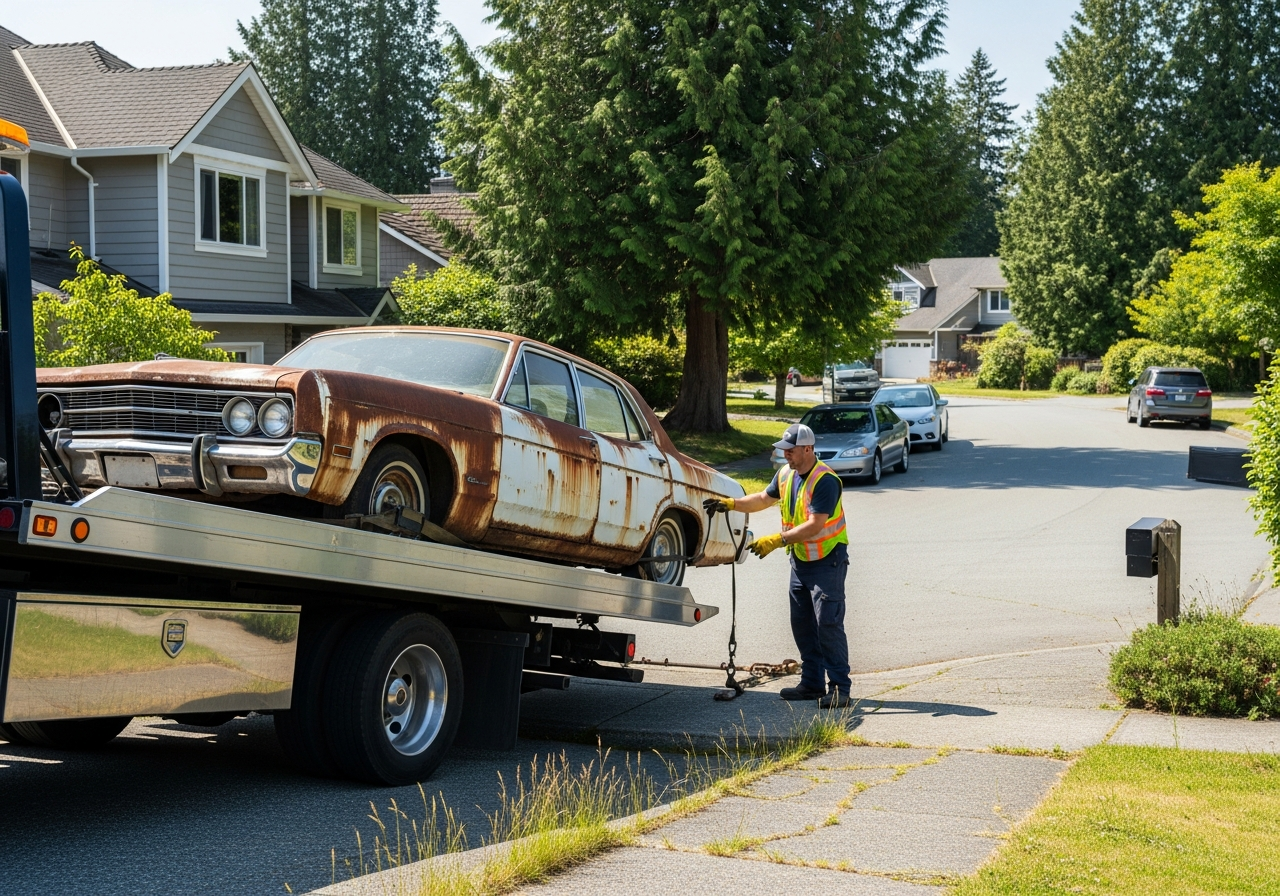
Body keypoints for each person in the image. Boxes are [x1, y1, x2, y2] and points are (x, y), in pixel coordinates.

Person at [704, 422, 851, 708]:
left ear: (808, 449)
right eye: (784, 450)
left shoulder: (826, 480)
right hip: (801, 561)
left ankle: (839, 689)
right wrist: (731, 504)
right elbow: (762, 499)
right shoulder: (786, 474)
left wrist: (777, 540)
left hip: (827, 560)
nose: (786, 455)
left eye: (791, 450)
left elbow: (815, 525)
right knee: (803, 625)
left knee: (828, 625)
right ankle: (812, 684)